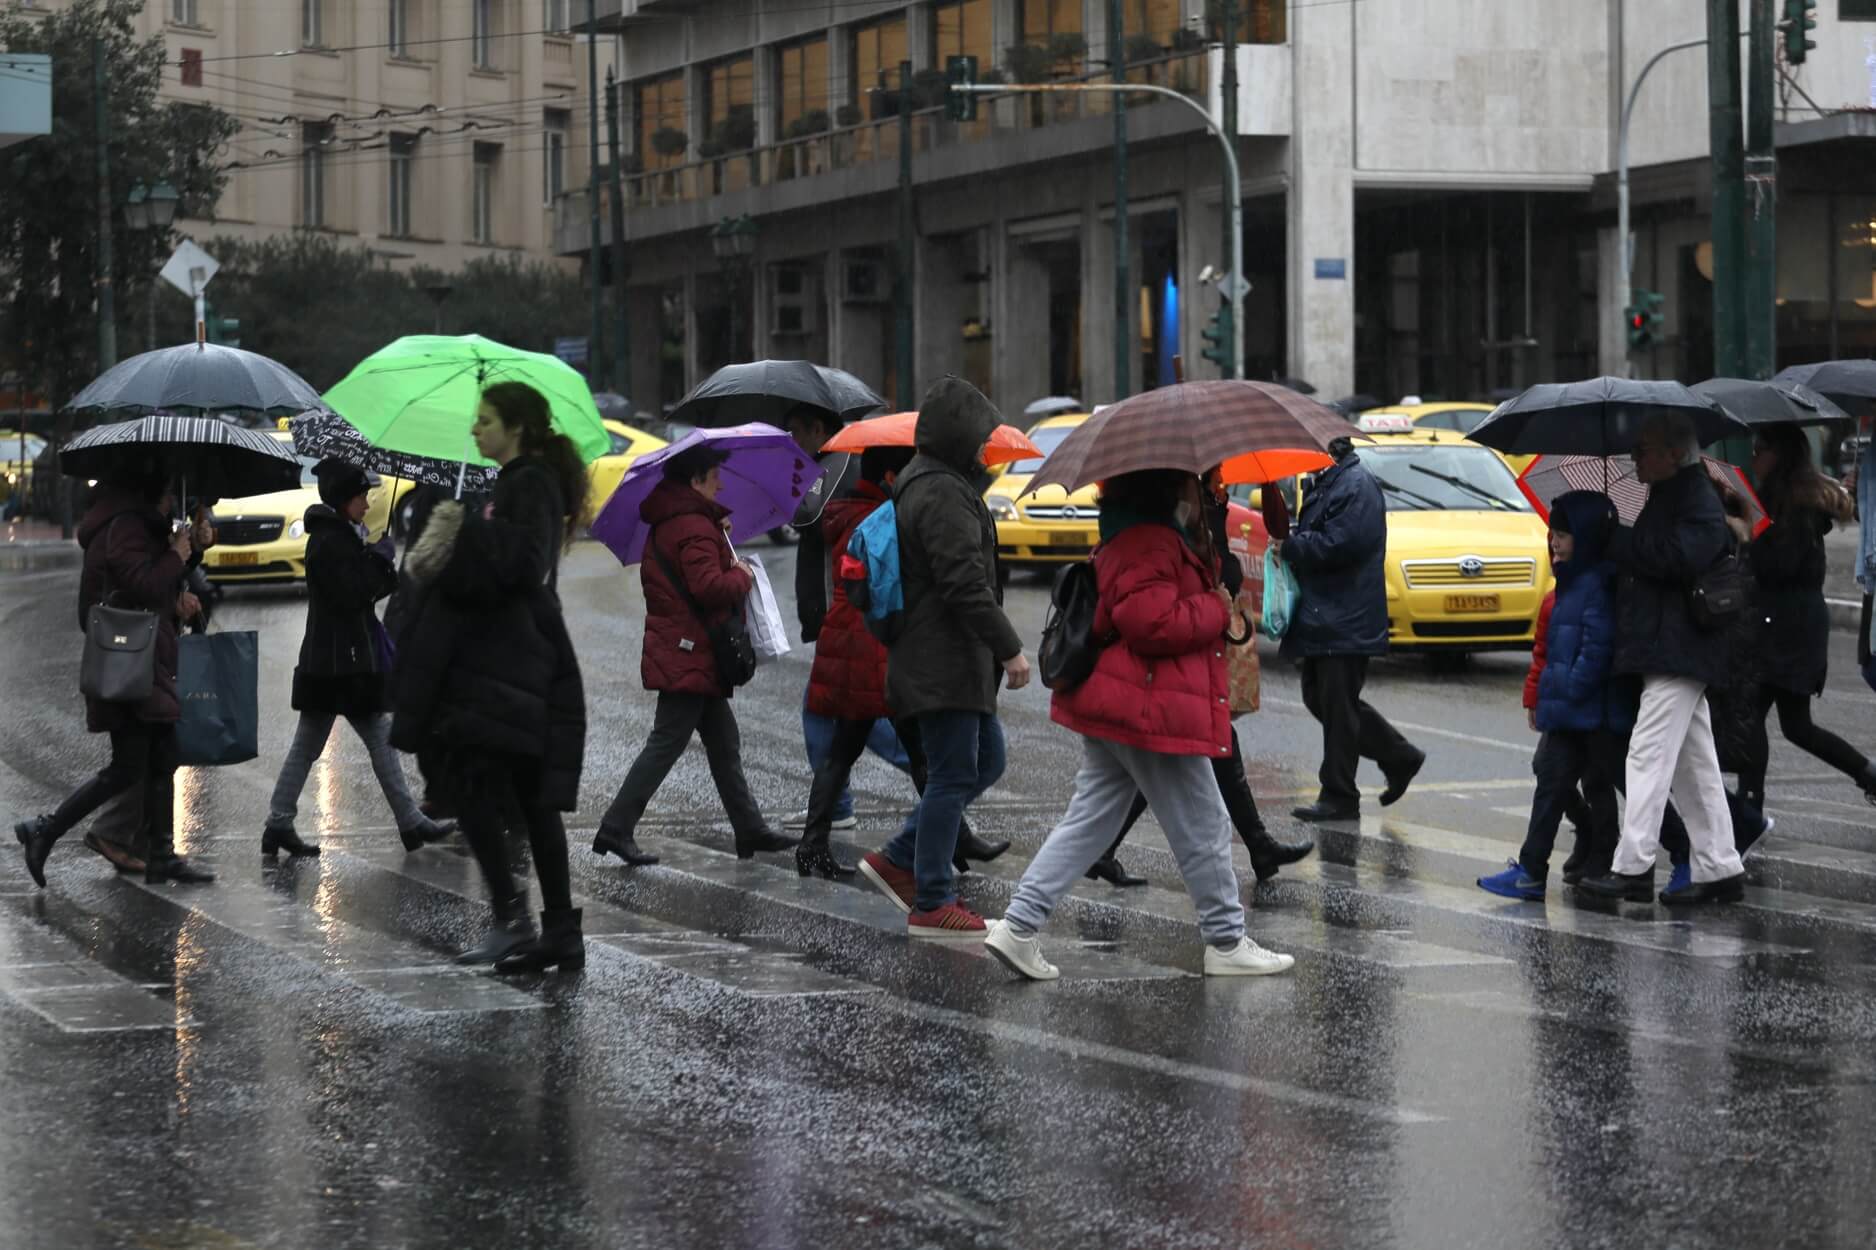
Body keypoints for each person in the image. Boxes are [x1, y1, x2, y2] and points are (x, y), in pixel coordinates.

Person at [983, 469, 1295, 980]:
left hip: (1126, 699)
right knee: (1205, 822)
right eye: (1193, 485)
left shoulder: (1145, 535)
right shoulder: (1149, 541)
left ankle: (1018, 927)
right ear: (1169, 491)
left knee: (1090, 822)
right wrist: (1214, 607)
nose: (1201, 492)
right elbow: (1150, 623)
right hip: (1148, 704)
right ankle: (1225, 940)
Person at [391, 381, 589, 971]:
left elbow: (524, 564)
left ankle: (516, 918)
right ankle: (553, 930)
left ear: (516, 427)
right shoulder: (512, 483)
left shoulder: (529, 483)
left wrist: (462, 531)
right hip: (505, 658)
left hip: (508, 661)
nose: (475, 430)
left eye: (485, 420)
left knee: (475, 786)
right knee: (522, 798)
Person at [857, 377, 1027, 938]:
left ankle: (899, 857)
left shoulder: (930, 483)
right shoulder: (941, 492)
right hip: (943, 662)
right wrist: (1011, 650)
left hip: (943, 661)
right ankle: (932, 896)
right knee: (954, 774)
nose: (984, 449)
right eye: (979, 438)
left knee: (984, 763)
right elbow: (964, 585)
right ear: (957, 437)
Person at [1088, 467, 1314, 887]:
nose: (1223, 482)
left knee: (1179, 768)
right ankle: (1235, 902)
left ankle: (1249, 861)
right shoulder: (1163, 533)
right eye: (1214, 479)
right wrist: (1215, 603)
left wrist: (1260, 490)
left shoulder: (1196, 515)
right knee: (1188, 777)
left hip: (1179, 673)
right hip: (1166, 676)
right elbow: (1157, 617)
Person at [592, 444, 794, 866]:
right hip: (692, 651)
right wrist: (740, 575)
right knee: (666, 742)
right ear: (696, 480)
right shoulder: (693, 527)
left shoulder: (684, 522)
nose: (720, 482)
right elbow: (709, 588)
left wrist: (714, 529)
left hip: (690, 649)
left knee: (724, 744)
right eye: (714, 475)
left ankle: (749, 828)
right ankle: (616, 827)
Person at [14, 465, 215, 887]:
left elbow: (156, 584)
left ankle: (161, 856)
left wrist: (192, 551)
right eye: (169, 498)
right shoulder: (124, 527)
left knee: (163, 757)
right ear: (153, 493)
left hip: (145, 659)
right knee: (129, 767)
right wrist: (176, 556)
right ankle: (45, 830)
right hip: (129, 663)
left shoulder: (139, 525)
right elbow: (141, 583)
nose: (172, 506)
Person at [1580, 412, 1747, 907]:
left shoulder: (1697, 498)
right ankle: (1720, 868)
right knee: (1694, 765)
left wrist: (1620, 539)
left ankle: (1633, 867)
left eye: (1646, 449)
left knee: (1647, 753)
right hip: (1669, 644)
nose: (1636, 458)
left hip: (1683, 645)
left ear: (1676, 453)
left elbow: (1678, 558)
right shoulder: (1671, 493)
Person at [259, 460, 455, 858]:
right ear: (345, 500)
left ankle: (280, 823)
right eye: (362, 496)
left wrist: (374, 555)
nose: (367, 503)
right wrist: (380, 559)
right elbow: (354, 595)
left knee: (320, 745)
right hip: (341, 664)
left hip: (332, 662)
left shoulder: (338, 535)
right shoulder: (330, 542)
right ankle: (409, 823)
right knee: (372, 741)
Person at [1478, 492, 1628, 900]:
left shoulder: (1597, 585)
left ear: (1587, 537)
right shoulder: (1565, 586)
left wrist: (1563, 691)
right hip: (1568, 710)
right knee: (1550, 778)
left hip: (1590, 711)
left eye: (1563, 534)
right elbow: (1544, 651)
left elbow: (1595, 652)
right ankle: (1531, 870)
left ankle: (1681, 849)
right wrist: (1539, 697)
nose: (1554, 542)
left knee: (1617, 783)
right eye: (1552, 534)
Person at [1281, 437, 1425, 822]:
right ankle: (1399, 756)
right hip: (1327, 613)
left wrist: (1293, 545)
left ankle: (1340, 793)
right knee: (1320, 699)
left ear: (1328, 450)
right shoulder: (1329, 482)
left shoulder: (1355, 485)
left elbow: (1341, 544)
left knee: (1338, 707)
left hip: (1345, 615)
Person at [1738, 424, 1875, 808]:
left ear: (1777, 455)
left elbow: (1779, 565)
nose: (1753, 458)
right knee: (1795, 726)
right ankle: (1868, 774)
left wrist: (1747, 532)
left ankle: (1749, 808)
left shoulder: (1793, 505)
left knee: (1753, 715)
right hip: (1790, 624)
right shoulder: (1786, 499)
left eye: (1759, 448)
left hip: (1787, 627)